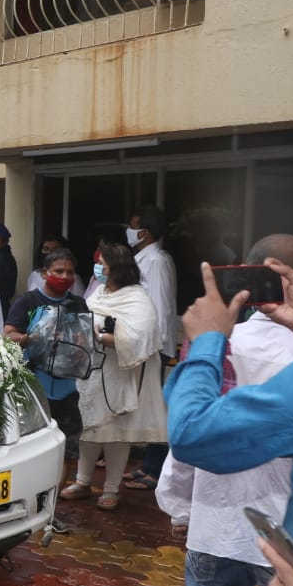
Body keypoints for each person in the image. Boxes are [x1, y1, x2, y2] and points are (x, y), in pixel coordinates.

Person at [128, 235, 293, 586]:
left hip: (217, 523)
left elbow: (191, 436)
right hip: (278, 537)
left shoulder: (220, 342)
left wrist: (178, 505)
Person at [62, 244, 166, 510]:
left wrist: (108, 337)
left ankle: (111, 489)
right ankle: (82, 482)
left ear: (117, 269)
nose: (99, 270)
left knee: (116, 431)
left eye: (103, 266)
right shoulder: (99, 291)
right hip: (92, 370)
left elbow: (142, 335)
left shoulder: (137, 298)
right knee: (88, 426)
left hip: (121, 372)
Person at [4, 248, 87, 459]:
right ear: (44, 273)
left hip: (67, 389)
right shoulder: (28, 301)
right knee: (32, 448)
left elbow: (86, 339)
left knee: (69, 450)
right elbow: (8, 335)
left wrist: (82, 344)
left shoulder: (78, 304)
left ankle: (58, 489)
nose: (64, 277)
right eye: (58, 271)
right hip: (34, 388)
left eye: (70, 272)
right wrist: (30, 338)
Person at [126, 206, 179, 491]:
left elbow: (158, 307)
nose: (130, 230)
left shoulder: (156, 260)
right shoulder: (146, 258)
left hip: (154, 347)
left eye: (133, 225)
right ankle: (148, 465)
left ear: (144, 232)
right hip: (149, 345)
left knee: (157, 410)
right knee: (150, 408)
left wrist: (151, 348)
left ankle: (155, 469)